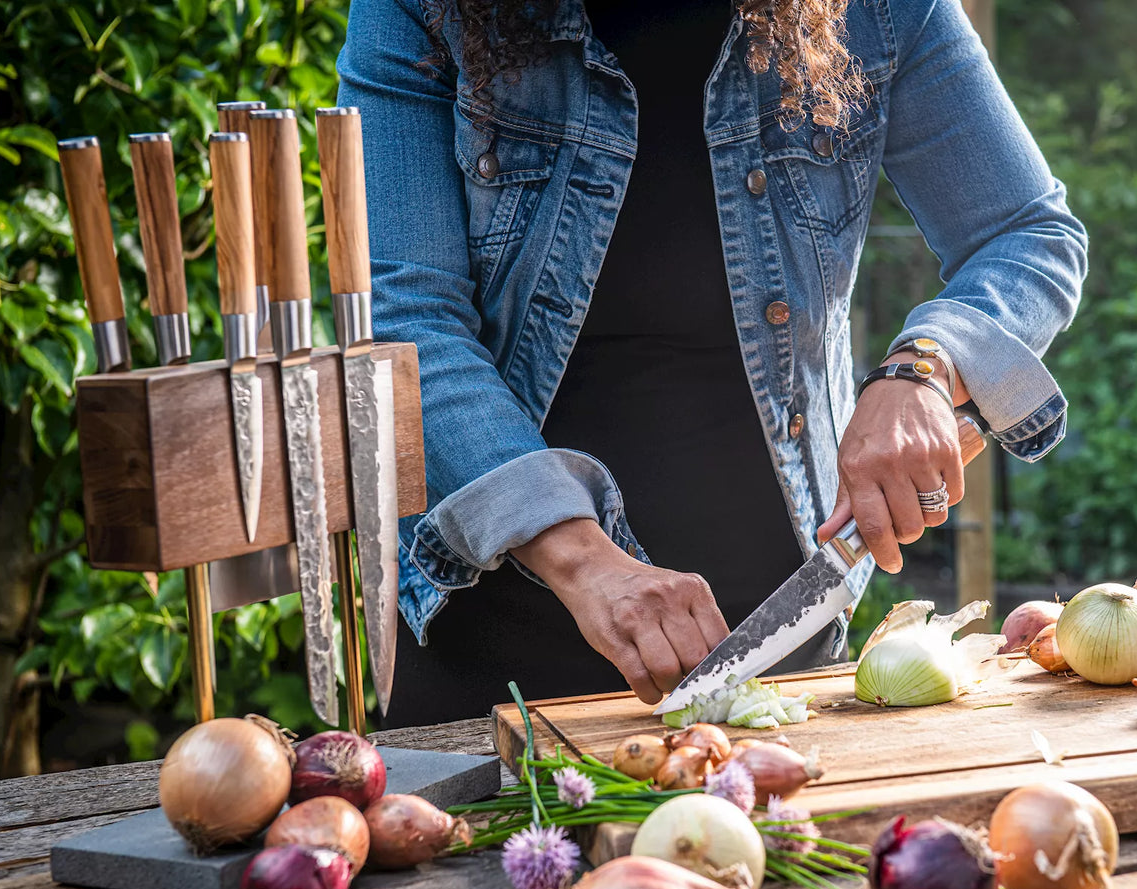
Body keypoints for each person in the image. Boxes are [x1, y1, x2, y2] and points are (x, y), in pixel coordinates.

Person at [336, 0, 1088, 725]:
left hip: (775, 637)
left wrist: (924, 368)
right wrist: (586, 563)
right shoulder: (424, 7)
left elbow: (1026, 232)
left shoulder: (877, 8)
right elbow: (406, 324)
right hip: (491, 637)